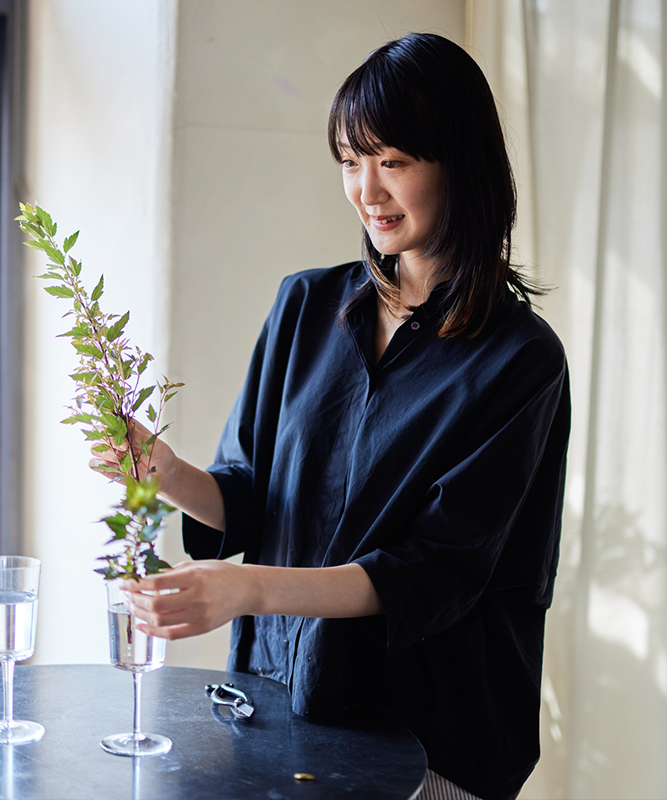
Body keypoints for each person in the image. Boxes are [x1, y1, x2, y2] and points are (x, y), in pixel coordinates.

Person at [91, 32, 570, 800]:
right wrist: (168, 473)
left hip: (426, 735)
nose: (367, 190)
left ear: (461, 164)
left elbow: (434, 573)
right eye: (352, 162)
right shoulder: (307, 305)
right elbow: (254, 496)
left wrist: (247, 590)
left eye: (394, 162)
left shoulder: (520, 361)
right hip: (279, 706)